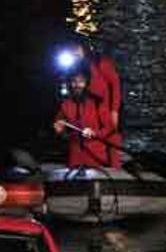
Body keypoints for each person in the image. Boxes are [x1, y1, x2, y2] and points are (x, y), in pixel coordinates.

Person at [59, 34, 123, 167]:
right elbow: (69, 91)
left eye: (76, 48)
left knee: (110, 139)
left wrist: (114, 111)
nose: (74, 52)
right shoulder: (74, 67)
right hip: (86, 109)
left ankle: (113, 168)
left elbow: (115, 86)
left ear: (84, 48)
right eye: (71, 49)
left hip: (104, 109)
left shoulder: (100, 63)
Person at [53, 67, 117, 168]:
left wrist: (94, 133)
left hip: (96, 158)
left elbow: (110, 127)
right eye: (74, 81)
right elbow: (63, 133)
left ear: (87, 83)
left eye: (81, 81)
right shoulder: (65, 105)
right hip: (75, 159)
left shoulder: (97, 102)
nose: (77, 85)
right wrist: (60, 131)